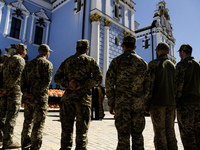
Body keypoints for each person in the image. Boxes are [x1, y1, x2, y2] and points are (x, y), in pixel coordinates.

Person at [54, 39, 102, 150]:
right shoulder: (91, 61)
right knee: (82, 131)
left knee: (66, 130)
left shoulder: (67, 61)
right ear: (87, 49)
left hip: (68, 99)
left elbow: (57, 78)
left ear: (76, 49)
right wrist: (82, 85)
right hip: (83, 100)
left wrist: (68, 84)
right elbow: (98, 78)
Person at [105, 36, 148, 150]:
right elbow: (148, 86)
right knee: (138, 136)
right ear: (134, 47)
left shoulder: (116, 62)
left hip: (121, 104)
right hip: (138, 105)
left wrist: (111, 102)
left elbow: (109, 83)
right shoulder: (142, 63)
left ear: (123, 46)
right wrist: (146, 103)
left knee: (123, 137)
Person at [144, 42, 178, 150]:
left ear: (157, 50)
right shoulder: (173, 66)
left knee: (160, 133)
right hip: (171, 104)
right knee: (170, 131)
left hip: (158, 103)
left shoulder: (153, 64)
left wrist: (146, 103)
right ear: (168, 52)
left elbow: (149, 86)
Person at [21, 44, 53, 150]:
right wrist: (34, 94)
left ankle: (25, 145)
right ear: (46, 52)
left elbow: (23, 82)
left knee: (27, 122)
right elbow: (46, 82)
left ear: (39, 51)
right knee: (38, 124)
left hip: (29, 99)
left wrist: (27, 94)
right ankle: (35, 147)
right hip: (39, 99)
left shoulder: (29, 64)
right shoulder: (47, 64)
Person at [0, 43, 27, 149]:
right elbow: (17, 76)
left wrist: (2, 88)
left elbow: (1, 75)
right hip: (13, 92)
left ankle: (1, 138)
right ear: (22, 50)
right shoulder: (20, 60)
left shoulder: (8, 60)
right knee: (11, 117)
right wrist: (7, 89)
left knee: (2, 115)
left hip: (4, 92)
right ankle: (8, 141)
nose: (25, 52)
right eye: (25, 50)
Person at [175, 44, 200, 150]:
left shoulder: (182, 65)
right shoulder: (198, 65)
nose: (179, 54)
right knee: (198, 133)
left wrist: (175, 101)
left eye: (180, 52)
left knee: (187, 134)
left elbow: (178, 86)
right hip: (198, 104)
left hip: (185, 105)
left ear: (183, 52)